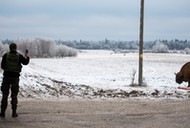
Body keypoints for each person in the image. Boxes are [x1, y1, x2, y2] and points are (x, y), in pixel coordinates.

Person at [0, 43, 30, 118]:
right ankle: (14, 112)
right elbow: (25, 63)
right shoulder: (19, 56)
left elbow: (2, 66)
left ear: (10, 48)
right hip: (15, 78)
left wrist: (8, 70)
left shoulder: (5, 55)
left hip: (6, 77)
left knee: (5, 95)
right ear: (15, 48)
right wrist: (27, 56)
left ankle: (2, 112)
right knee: (14, 95)